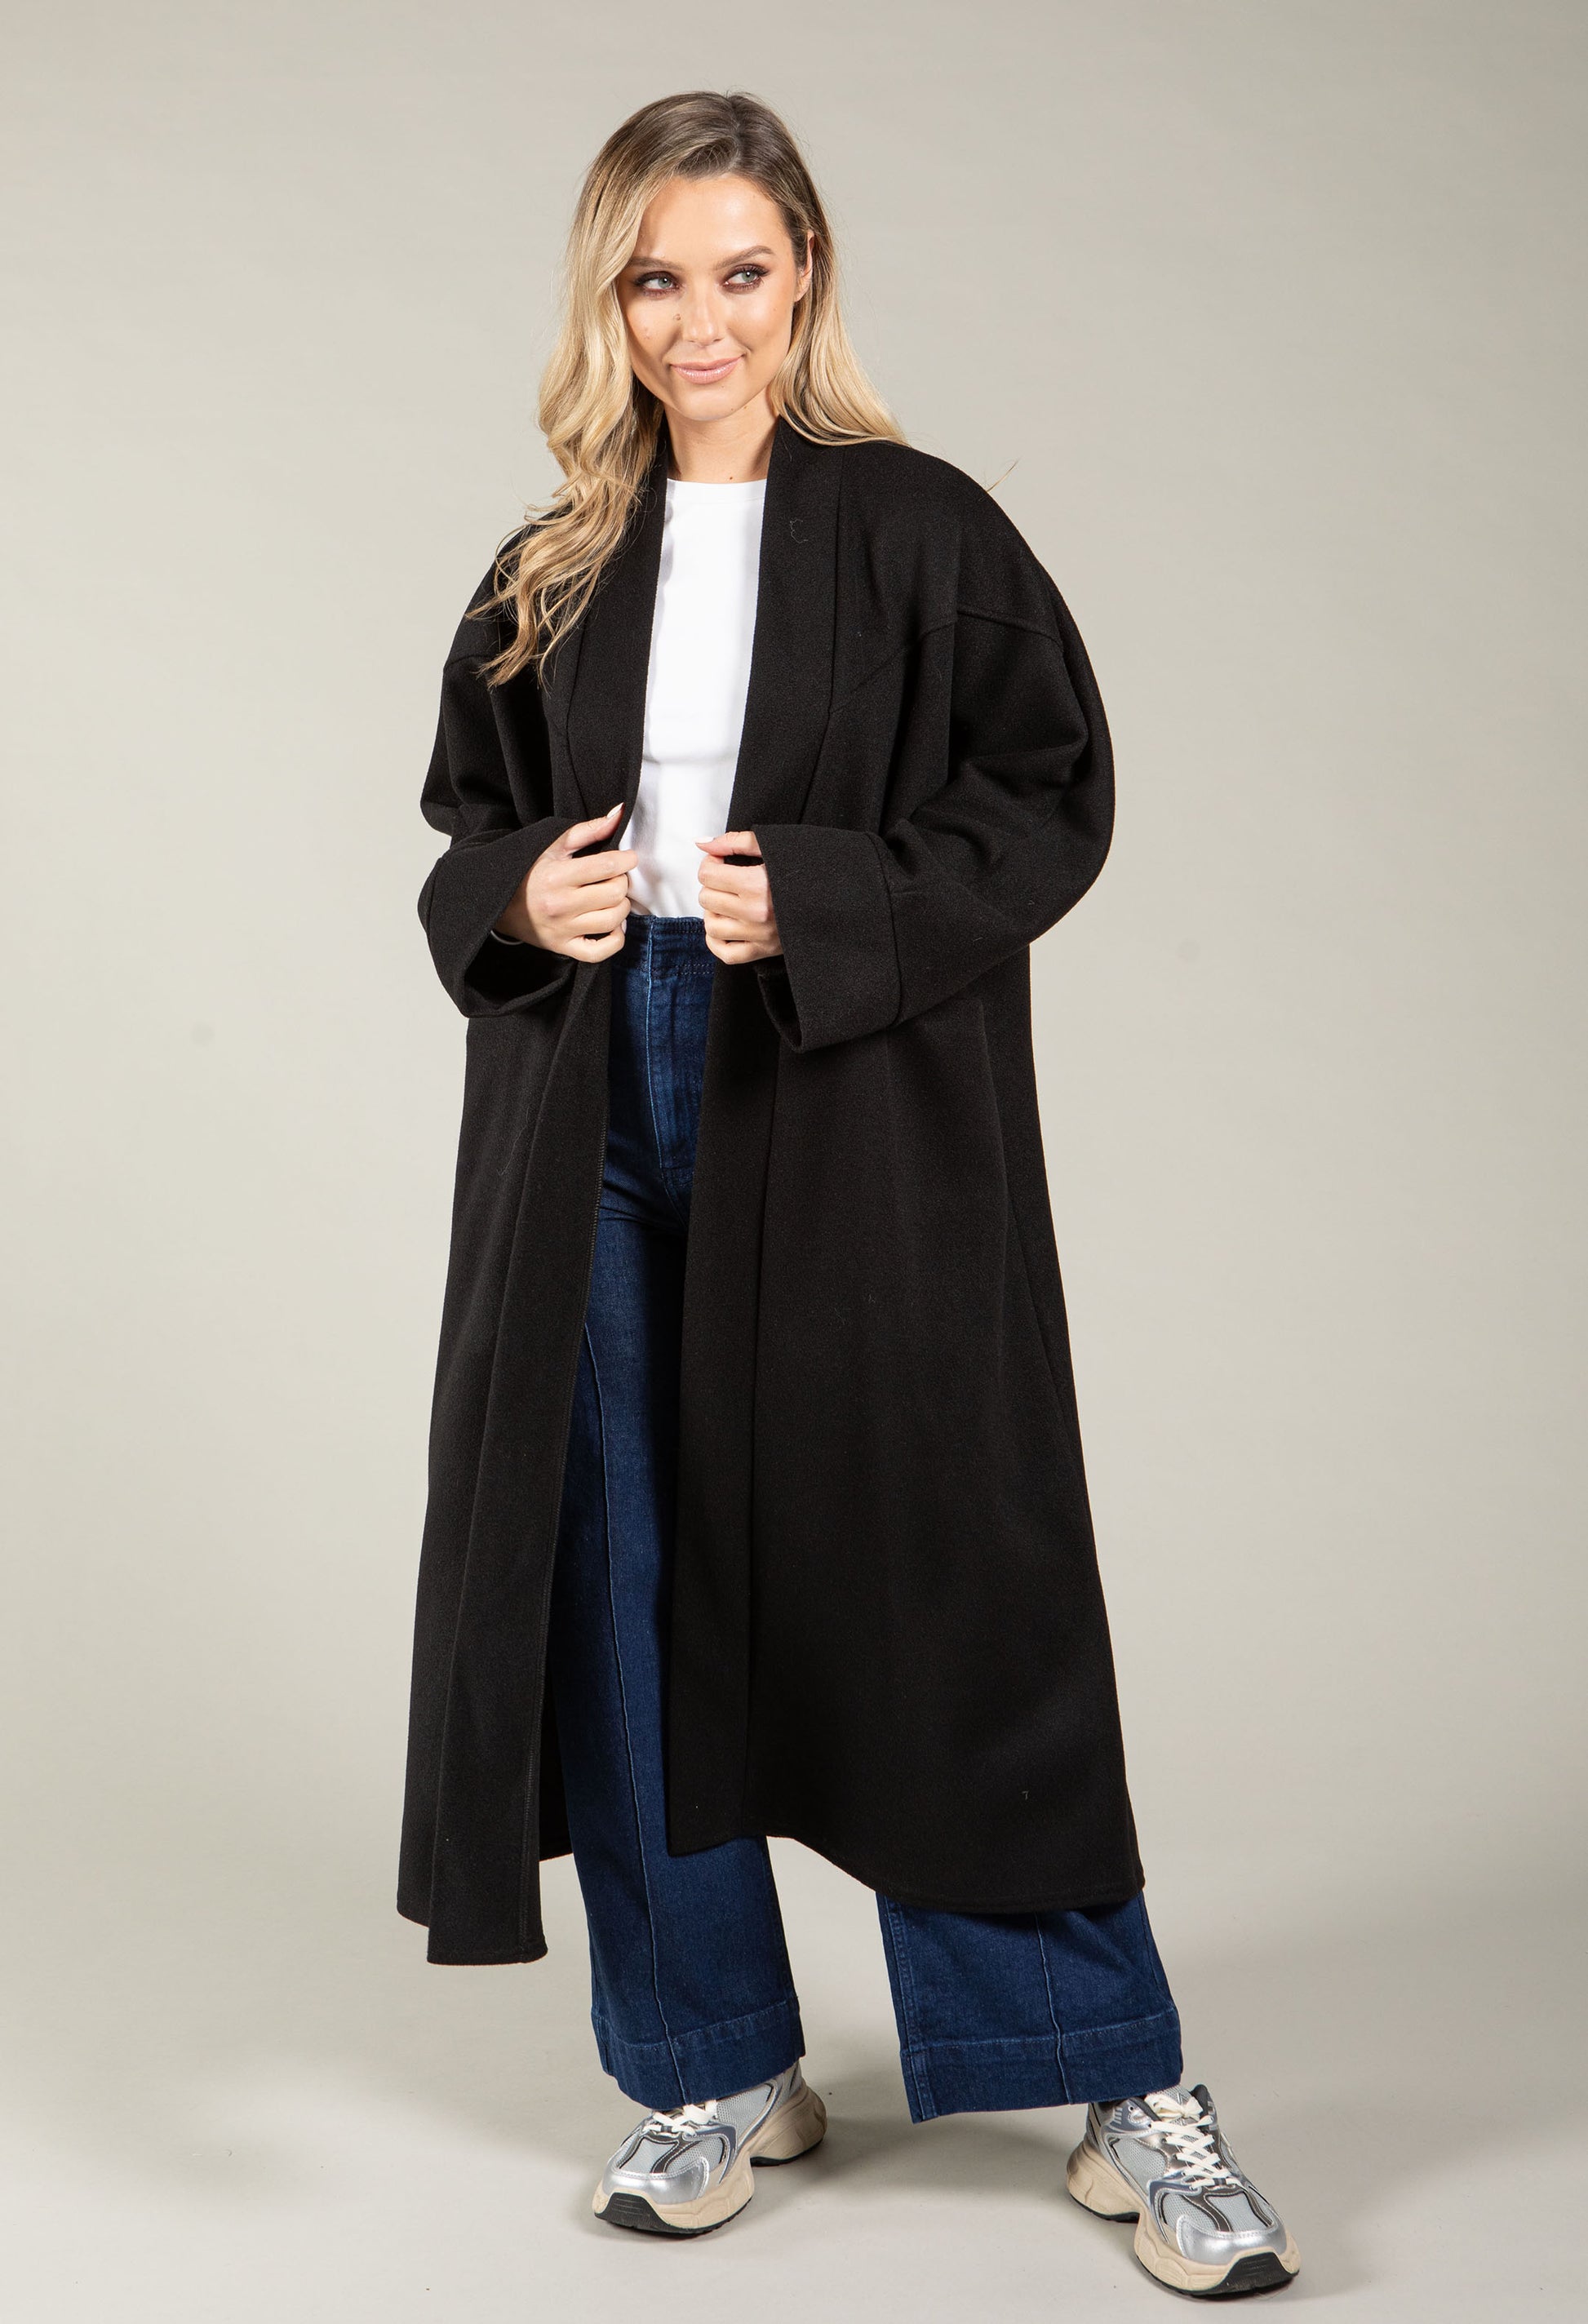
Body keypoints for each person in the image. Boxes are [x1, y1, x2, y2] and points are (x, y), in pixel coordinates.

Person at [399, 88, 1300, 2300]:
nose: (697, 321)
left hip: (846, 1078)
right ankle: (710, 2060)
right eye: (653, 278)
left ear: (803, 272)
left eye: (738, 271)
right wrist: (521, 893)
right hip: (591, 1090)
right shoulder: (554, 561)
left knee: (933, 1553)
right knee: (620, 1563)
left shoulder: (921, 529)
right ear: (605, 297)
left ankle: (1108, 2069)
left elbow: (1050, 800)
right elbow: (463, 825)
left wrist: (819, 896)